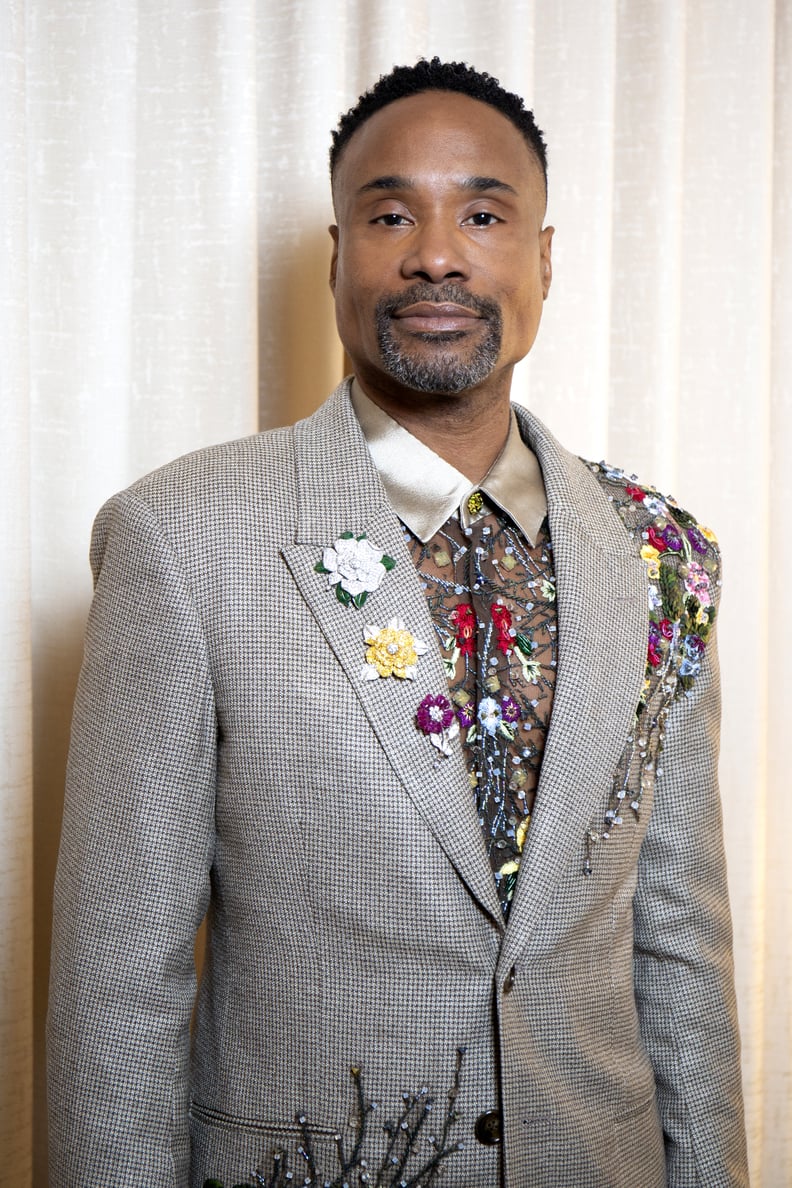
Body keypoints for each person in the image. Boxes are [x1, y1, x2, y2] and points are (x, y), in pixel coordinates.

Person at [47, 58, 749, 1187]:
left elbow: (680, 945)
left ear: (544, 259)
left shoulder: (663, 550)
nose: (436, 252)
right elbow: (115, 979)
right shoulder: (180, 536)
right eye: (389, 214)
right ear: (337, 257)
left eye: (482, 213)